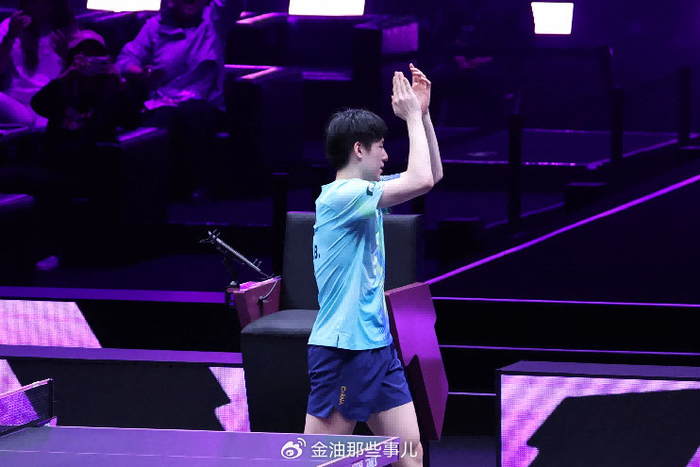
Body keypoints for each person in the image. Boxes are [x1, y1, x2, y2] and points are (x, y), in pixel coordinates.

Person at [305, 64, 442, 467]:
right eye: (380, 146)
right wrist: (411, 117)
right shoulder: (342, 196)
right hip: (344, 350)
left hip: (378, 347)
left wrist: (424, 116)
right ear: (358, 150)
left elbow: (431, 174)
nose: (386, 154)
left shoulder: (367, 191)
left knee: (409, 455)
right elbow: (420, 180)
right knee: (319, 461)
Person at [116, 0, 242, 201]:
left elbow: (232, 4)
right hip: (163, 102)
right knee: (155, 121)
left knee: (190, 114)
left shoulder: (214, 20)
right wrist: (141, 73)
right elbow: (124, 60)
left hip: (203, 103)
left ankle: (198, 185)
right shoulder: (155, 26)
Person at [0, 0, 76, 127]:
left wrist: (66, 55)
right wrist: (10, 37)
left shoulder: (69, 30)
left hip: (49, 104)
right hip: (17, 105)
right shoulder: (10, 25)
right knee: (25, 118)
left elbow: (78, 77)